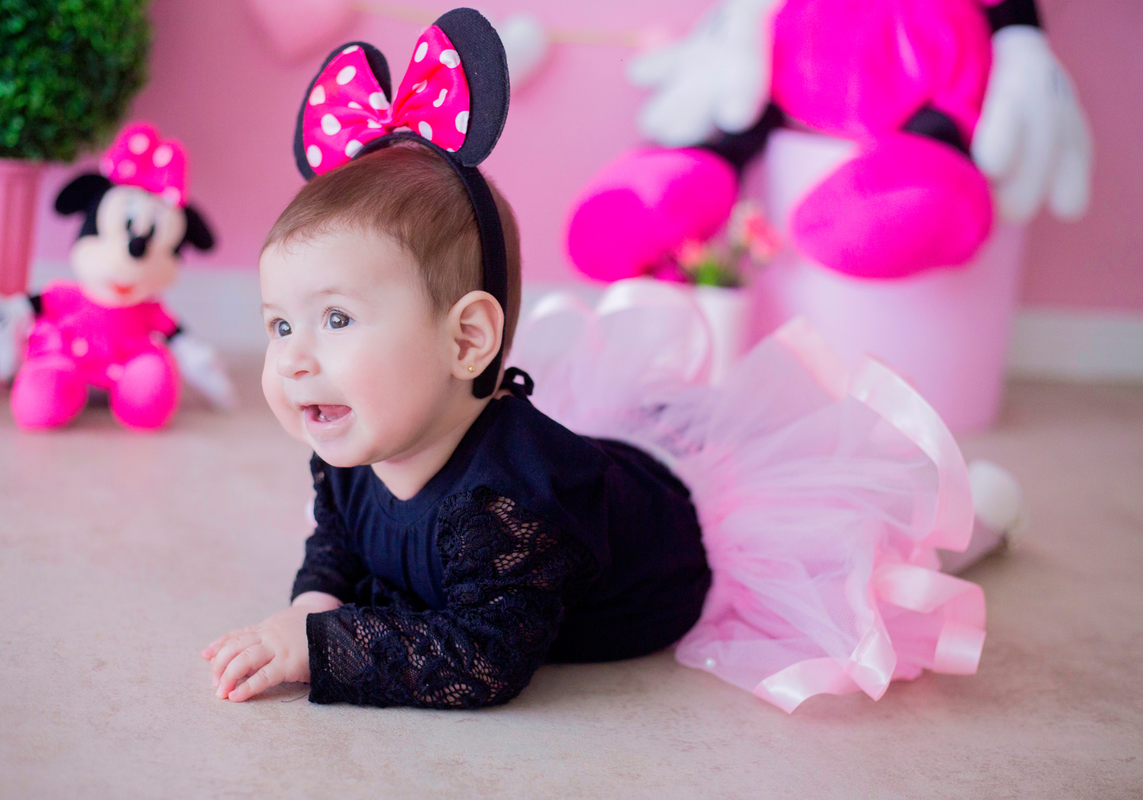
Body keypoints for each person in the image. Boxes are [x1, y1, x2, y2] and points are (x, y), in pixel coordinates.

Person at [203, 8, 990, 713]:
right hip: (597, 478)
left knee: (871, 552)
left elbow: (482, 660)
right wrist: (316, 602)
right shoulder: (348, 440)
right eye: (278, 326)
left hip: (668, 551)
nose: (293, 359)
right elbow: (337, 538)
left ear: (467, 340)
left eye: (335, 318)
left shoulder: (508, 504)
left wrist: (326, 650)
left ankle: (983, 515)